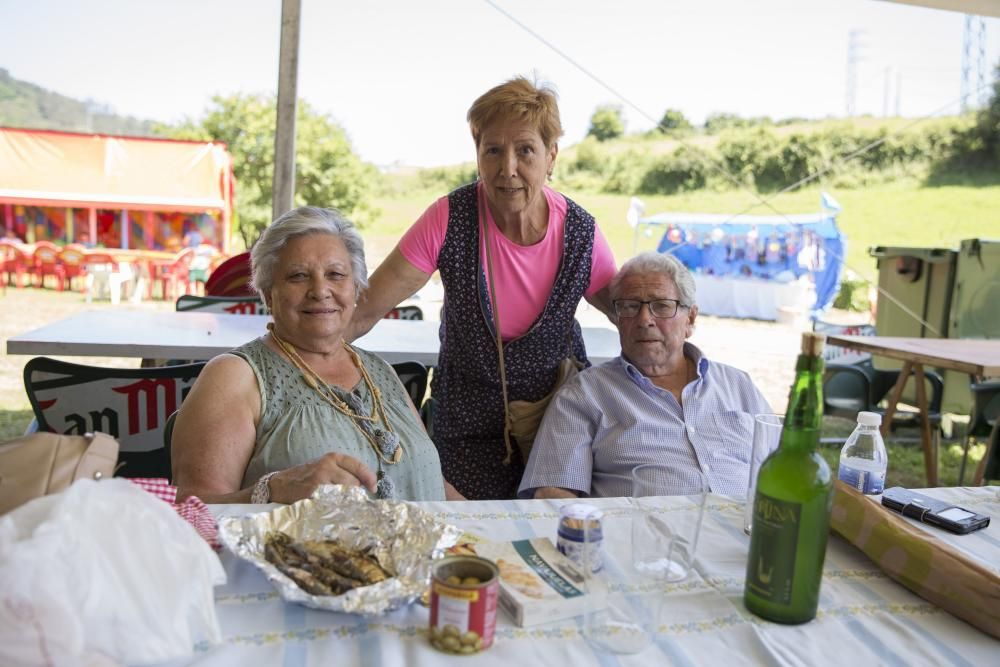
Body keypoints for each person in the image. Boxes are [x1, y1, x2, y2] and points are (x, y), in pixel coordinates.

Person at [347, 77, 618, 500]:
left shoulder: (580, 233)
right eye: (492, 150)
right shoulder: (448, 219)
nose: (507, 168)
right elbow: (362, 312)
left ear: (551, 157)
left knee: (554, 535)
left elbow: (635, 316)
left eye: (525, 150)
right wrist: (278, 362)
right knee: (469, 544)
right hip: (465, 432)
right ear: (478, 155)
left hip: (557, 428)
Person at [172, 206, 457, 504]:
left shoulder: (378, 371)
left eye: (336, 274)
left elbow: (432, 481)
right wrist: (272, 490)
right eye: (298, 276)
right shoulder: (235, 376)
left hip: (433, 549)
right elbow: (191, 509)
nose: (320, 290)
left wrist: (497, 522)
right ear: (268, 293)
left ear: (356, 289)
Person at [518, 252, 771, 499]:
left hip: (750, 535)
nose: (644, 319)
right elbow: (553, 494)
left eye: (661, 306)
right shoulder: (584, 395)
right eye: (629, 307)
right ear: (617, 319)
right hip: (639, 536)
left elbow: (791, 465)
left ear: (690, 319)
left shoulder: (738, 386)